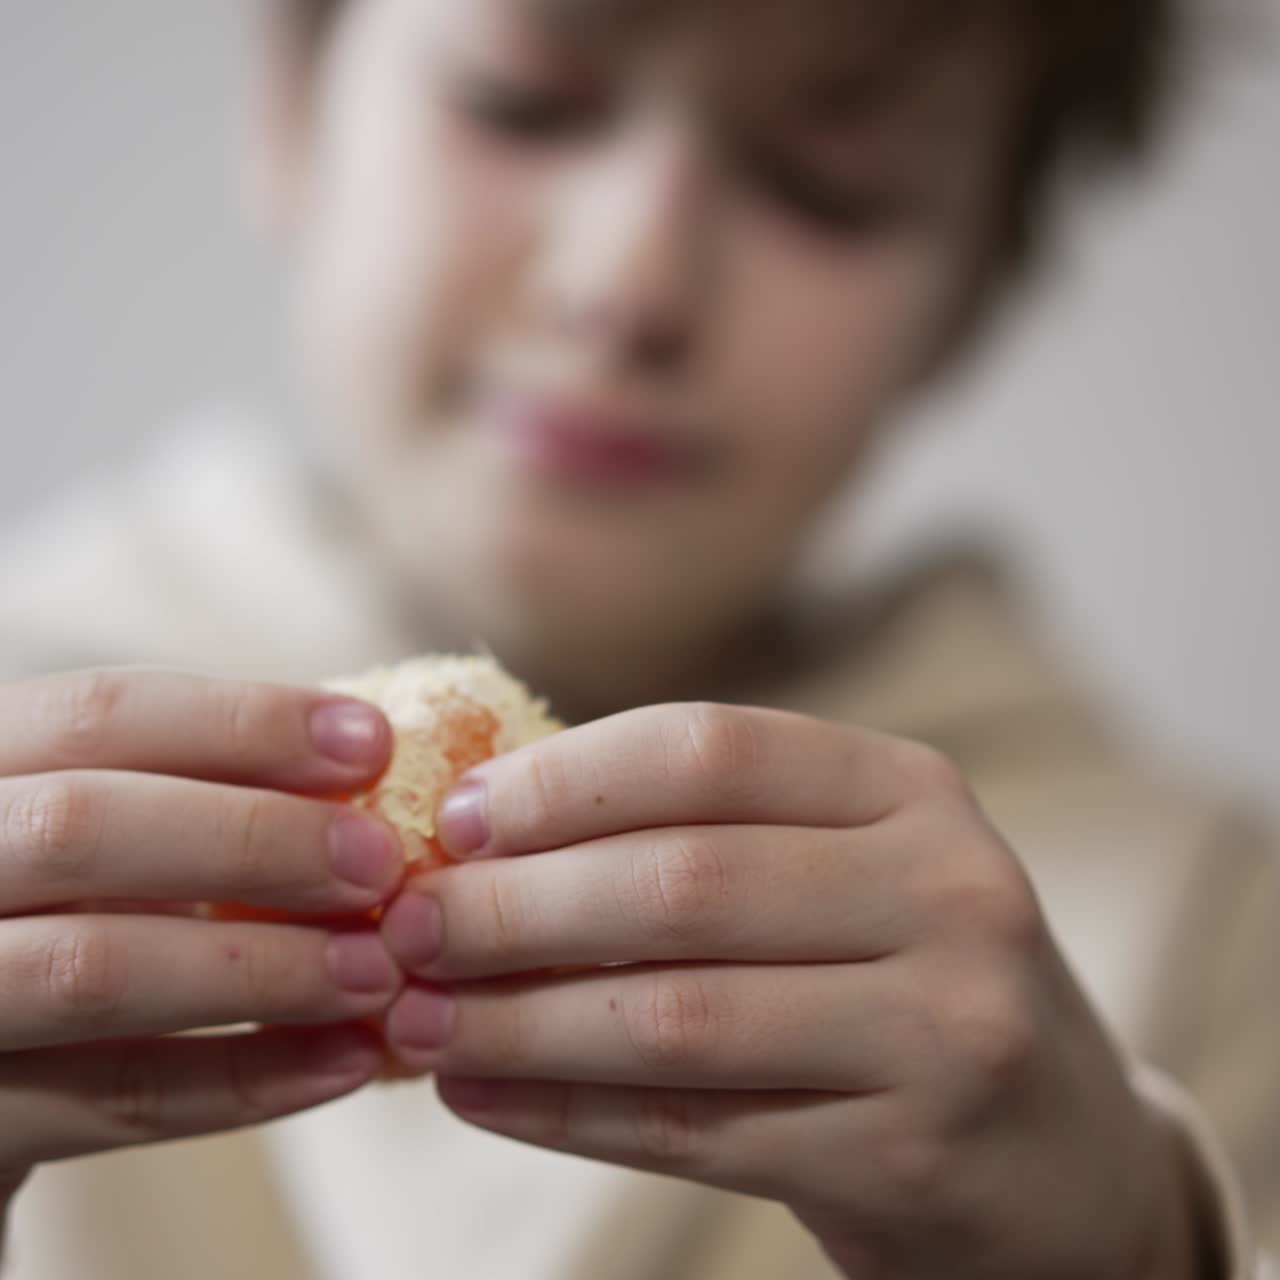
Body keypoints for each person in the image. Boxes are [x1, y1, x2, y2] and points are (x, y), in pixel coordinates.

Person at [0, 0, 1276, 1277]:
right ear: (291, 101)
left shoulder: (1213, 938)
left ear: (968, 301)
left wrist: (1142, 1244)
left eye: (825, 189)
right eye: (517, 102)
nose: (629, 283)